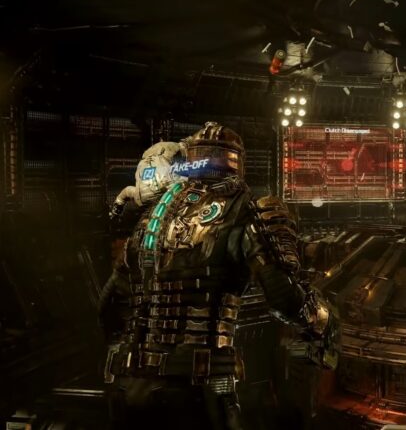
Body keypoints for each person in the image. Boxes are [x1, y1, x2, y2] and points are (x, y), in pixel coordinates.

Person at [99, 122, 338, 430]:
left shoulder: (152, 217)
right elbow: (283, 299)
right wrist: (325, 321)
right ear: (236, 162)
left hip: (128, 387)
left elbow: (109, 306)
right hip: (197, 390)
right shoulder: (244, 208)